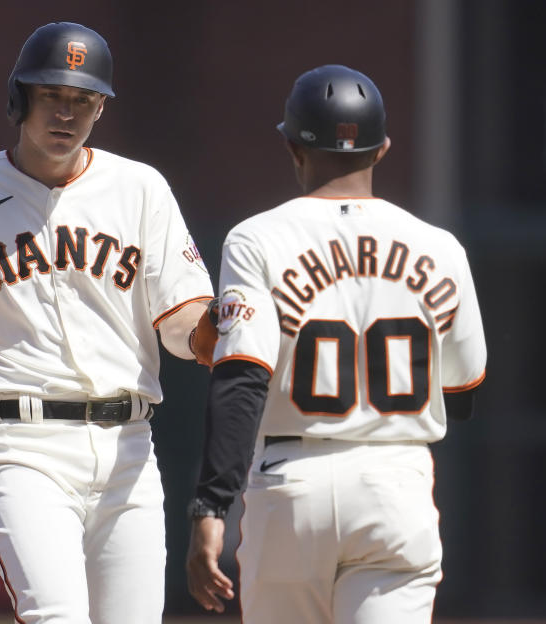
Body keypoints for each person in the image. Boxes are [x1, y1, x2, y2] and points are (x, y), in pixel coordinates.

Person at [0, 22, 218, 624]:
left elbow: (180, 318)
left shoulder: (139, 188)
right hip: (23, 442)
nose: (68, 113)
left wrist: (206, 334)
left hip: (129, 447)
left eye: (84, 99)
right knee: (57, 616)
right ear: (20, 99)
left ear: (100, 108)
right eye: (53, 96)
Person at [185, 65, 487, 623]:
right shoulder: (440, 247)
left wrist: (211, 504)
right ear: (383, 149)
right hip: (395, 482)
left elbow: (243, 377)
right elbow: (463, 390)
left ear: (293, 148)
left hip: (289, 479)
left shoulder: (257, 237)